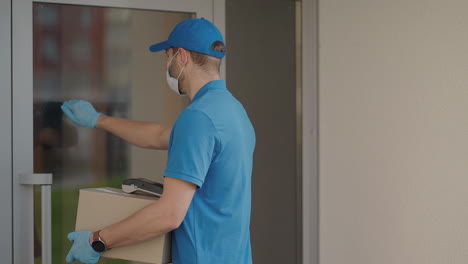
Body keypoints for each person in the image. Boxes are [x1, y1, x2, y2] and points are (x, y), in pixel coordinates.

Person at [63, 18, 256, 264]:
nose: (167, 64)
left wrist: (97, 240)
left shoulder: (197, 118)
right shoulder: (232, 111)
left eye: (168, 56)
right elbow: (160, 135)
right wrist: (99, 120)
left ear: (182, 57)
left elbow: (169, 214)